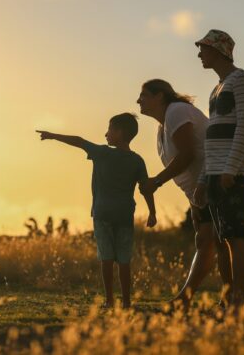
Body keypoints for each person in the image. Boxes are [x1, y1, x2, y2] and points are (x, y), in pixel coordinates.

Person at [36, 113, 157, 308]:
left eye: (109, 130)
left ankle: (110, 300)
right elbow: (146, 188)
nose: (106, 134)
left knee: (106, 258)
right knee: (124, 260)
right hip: (125, 216)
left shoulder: (102, 153)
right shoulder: (137, 160)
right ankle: (126, 302)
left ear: (119, 132)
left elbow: (79, 141)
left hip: (102, 214)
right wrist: (153, 212)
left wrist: (52, 135)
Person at [137, 79, 232, 307]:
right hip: (202, 188)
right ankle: (228, 298)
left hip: (217, 180)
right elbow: (190, 162)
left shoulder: (177, 111)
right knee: (211, 241)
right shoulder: (163, 125)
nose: (138, 100)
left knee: (215, 241)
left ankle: (190, 299)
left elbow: (188, 154)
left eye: (144, 95)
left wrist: (157, 181)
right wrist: (193, 203)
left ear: (159, 96)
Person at [193, 29, 244, 308]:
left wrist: (231, 169)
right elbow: (212, 138)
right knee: (221, 241)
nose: (199, 54)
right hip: (214, 175)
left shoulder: (242, 80)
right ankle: (228, 297)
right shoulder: (216, 89)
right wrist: (202, 180)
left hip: (233, 175)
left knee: (235, 238)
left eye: (204, 49)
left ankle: (240, 301)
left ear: (219, 51)